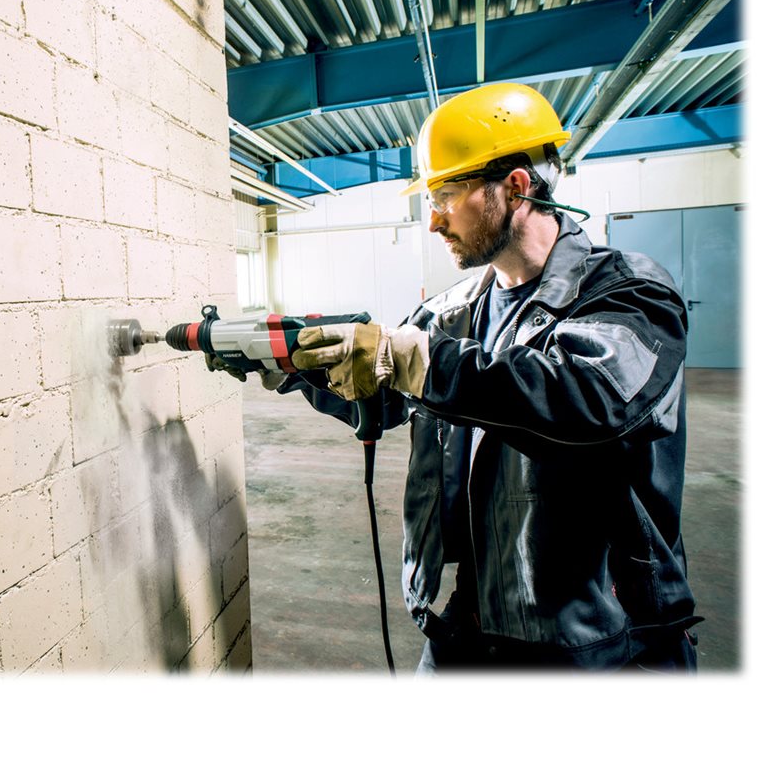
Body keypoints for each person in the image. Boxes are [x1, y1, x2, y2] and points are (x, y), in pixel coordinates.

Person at [278, 83, 701, 672]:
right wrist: (302, 366)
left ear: (517, 187)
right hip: (471, 620)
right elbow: (388, 400)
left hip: (599, 639)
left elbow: (589, 401)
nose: (433, 221)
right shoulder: (452, 313)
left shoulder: (629, 291)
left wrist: (416, 359)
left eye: (445, 196)